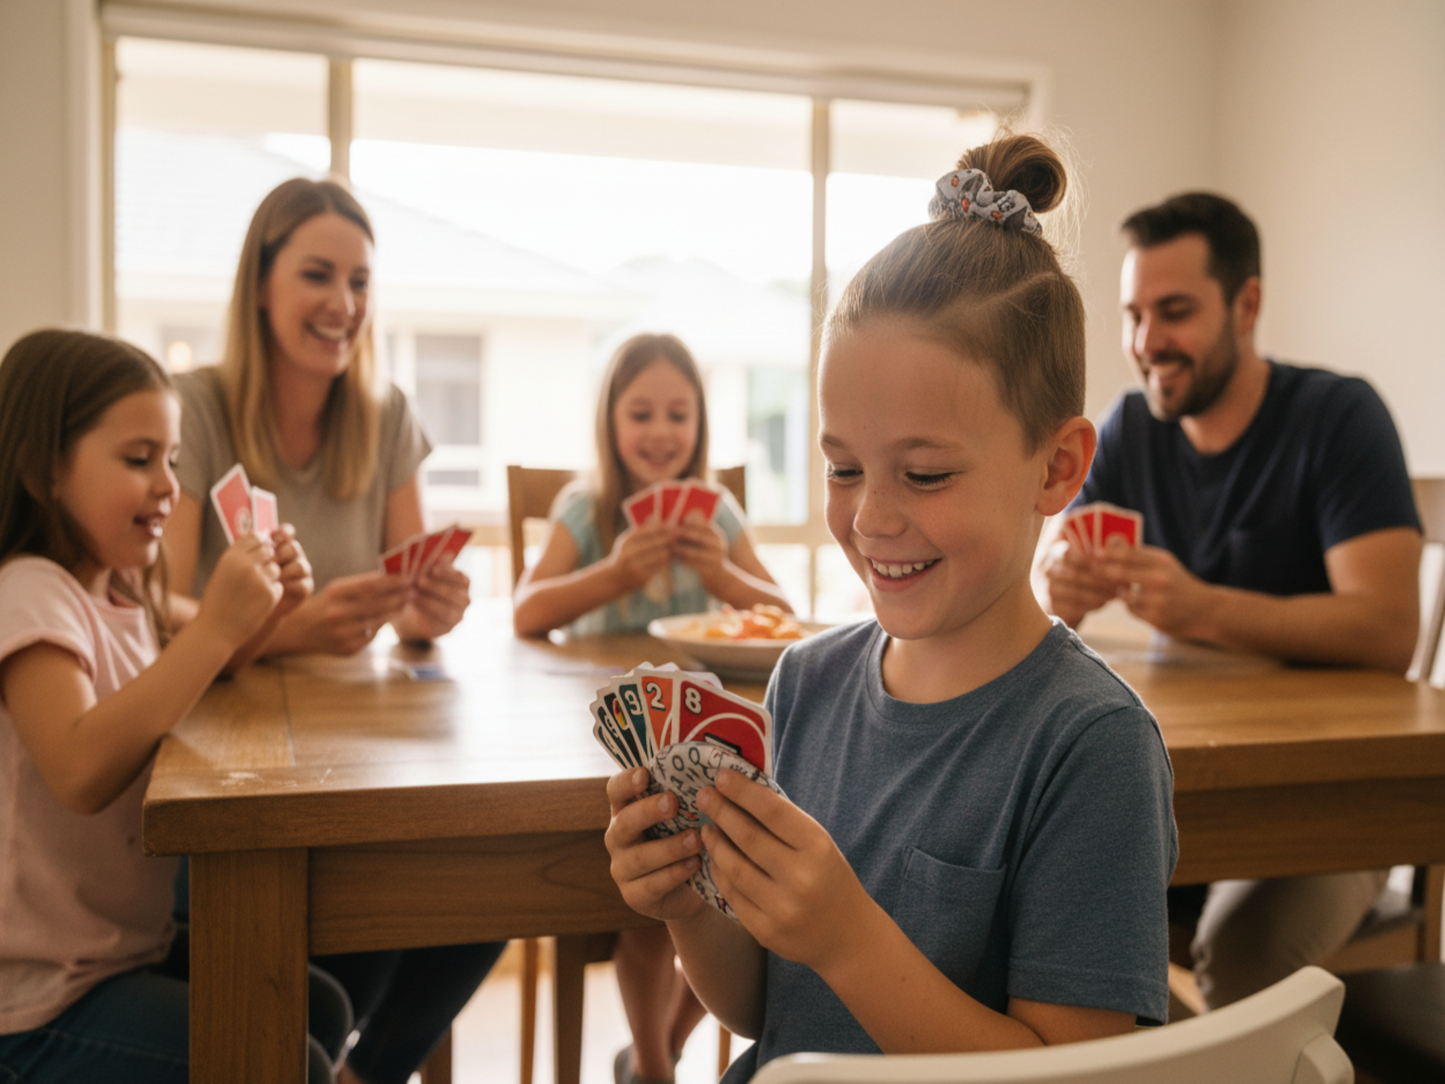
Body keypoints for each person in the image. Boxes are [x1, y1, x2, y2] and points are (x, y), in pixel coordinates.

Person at [604, 134, 1177, 1083]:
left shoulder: (1090, 748)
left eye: (925, 472)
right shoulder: (806, 682)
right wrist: (689, 904)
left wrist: (847, 940)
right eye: (841, 468)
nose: (870, 516)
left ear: (1057, 467)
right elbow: (758, 1006)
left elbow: (1073, 1077)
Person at [1036, 191, 1423, 1009]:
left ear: (1246, 303)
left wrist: (1204, 608)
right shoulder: (1128, 428)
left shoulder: (1338, 418)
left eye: (1173, 312)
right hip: (1173, 781)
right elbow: (1044, 582)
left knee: (1239, 961)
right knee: (1044, 928)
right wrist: (1056, 588)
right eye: (1133, 314)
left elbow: (1390, 628)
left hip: (1329, 796)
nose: (1146, 343)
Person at [163, 178, 503, 1084]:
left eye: (359, 281)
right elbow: (161, 612)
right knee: (362, 904)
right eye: (318, 275)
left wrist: (431, 617)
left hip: (348, 742)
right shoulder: (191, 407)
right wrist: (287, 630)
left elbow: (411, 613)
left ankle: (355, 1076)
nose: (343, 304)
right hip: (222, 753)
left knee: (478, 880)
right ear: (260, 284)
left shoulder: (385, 414)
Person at [0, 329, 346, 1082]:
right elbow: (81, 767)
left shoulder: (118, 593)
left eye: (172, 460)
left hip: (116, 948)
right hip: (37, 1003)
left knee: (321, 1010)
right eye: (138, 459)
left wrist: (263, 616)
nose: (167, 485)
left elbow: (198, 678)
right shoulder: (29, 594)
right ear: (42, 470)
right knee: (291, 1059)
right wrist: (219, 622)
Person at [514, 332, 792, 1084]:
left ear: (699, 425)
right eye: (641, 413)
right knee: (650, 904)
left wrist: (723, 571)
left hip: (706, 756)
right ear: (611, 423)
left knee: (731, 903)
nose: (661, 432)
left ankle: (651, 1056)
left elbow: (782, 610)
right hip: (606, 762)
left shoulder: (717, 514)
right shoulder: (586, 509)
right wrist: (612, 573)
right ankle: (658, 1067)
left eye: (678, 414)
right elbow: (525, 612)